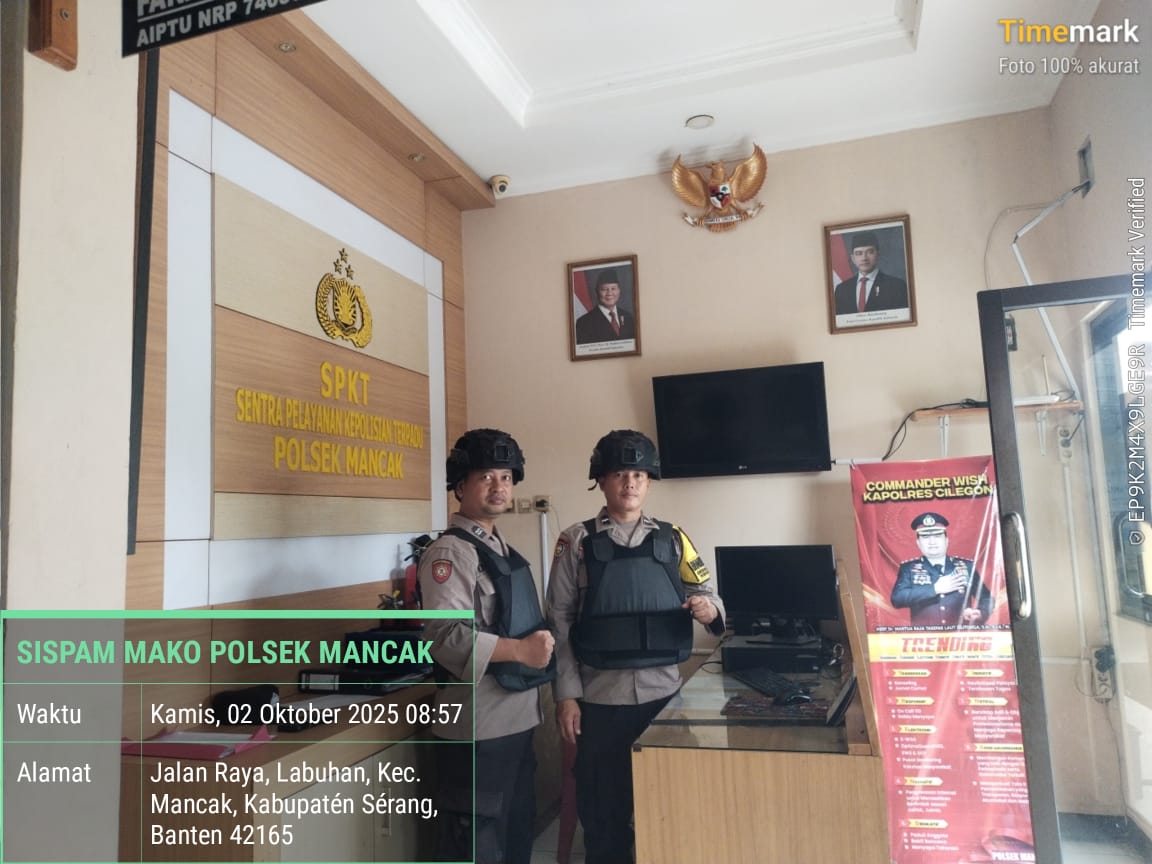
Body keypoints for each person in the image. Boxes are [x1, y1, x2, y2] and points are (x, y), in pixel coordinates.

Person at [547, 429, 725, 864]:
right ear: (601, 480)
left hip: (663, 701)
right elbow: (559, 622)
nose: (630, 483)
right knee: (603, 815)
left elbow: (708, 594)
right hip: (599, 701)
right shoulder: (576, 541)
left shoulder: (674, 538)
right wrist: (566, 695)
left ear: (649, 482)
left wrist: (709, 609)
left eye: (640, 475)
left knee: (666, 811)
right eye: (620, 474)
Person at [417, 428, 556, 864]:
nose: (500, 487)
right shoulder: (451, 552)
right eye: (486, 477)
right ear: (460, 486)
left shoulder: (499, 549)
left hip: (516, 718)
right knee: (476, 845)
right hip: (478, 725)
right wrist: (520, 651)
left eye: (506, 477)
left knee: (515, 834)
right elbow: (445, 637)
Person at [890, 512, 992, 628]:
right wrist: (935, 589)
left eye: (938, 536)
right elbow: (897, 599)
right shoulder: (909, 568)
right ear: (918, 542)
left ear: (946, 540)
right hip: (924, 636)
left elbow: (987, 598)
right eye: (925, 537)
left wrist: (980, 612)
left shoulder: (966, 566)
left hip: (960, 636)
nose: (932, 542)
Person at [833, 230, 909, 315]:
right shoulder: (841, 289)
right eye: (859, 253)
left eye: (870, 252)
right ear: (853, 258)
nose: (864, 258)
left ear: (878, 254)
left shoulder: (897, 286)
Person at [575, 269, 636, 344]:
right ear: (597, 292)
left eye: (613, 288)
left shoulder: (628, 317)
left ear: (619, 290)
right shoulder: (584, 323)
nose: (609, 293)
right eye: (604, 289)